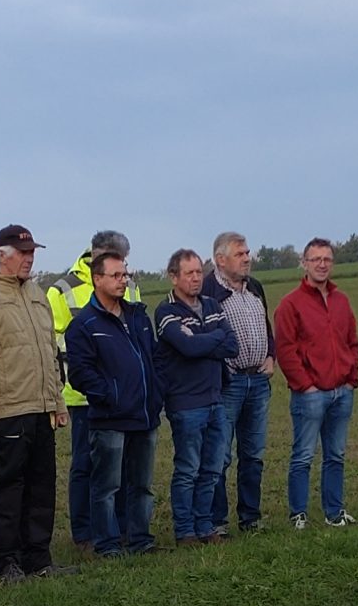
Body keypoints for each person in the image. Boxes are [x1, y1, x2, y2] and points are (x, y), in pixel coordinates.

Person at [0, 224, 73, 583]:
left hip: (41, 408)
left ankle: (39, 557)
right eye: (23, 253)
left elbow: (50, 353)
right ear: (1, 256)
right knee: (9, 489)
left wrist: (57, 401)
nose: (30, 259)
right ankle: (6, 561)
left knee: (42, 487)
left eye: (32, 252)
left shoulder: (37, 294)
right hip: (7, 410)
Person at [61, 244, 163, 558]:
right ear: (97, 280)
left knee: (142, 485)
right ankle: (106, 544)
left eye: (126, 273)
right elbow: (80, 373)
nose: (124, 280)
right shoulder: (85, 325)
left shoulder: (138, 317)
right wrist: (109, 397)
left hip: (145, 416)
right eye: (116, 275)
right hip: (110, 418)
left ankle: (140, 539)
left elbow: (154, 359)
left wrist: (156, 392)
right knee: (106, 486)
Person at [48, 232, 140, 553]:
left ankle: (121, 527)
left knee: (124, 463)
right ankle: (84, 532)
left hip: (125, 393)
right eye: (114, 264)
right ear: (95, 255)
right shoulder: (62, 290)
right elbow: (53, 341)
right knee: (86, 464)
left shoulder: (129, 283)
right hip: (82, 393)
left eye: (124, 265)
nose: (122, 275)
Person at [274, 236, 358, 529]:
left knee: (336, 455)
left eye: (327, 259)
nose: (322, 264)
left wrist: (352, 379)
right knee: (303, 455)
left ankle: (334, 511)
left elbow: (353, 341)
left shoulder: (342, 300)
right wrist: (305, 385)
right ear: (305, 264)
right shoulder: (290, 304)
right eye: (316, 259)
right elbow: (285, 350)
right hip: (310, 394)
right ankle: (298, 514)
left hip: (341, 391)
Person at [154, 247, 236, 543]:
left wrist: (201, 340)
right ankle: (185, 530)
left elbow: (232, 345)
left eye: (199, 271)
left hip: (216, 399)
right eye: (188, 273)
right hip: (186, 403)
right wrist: (212, 338)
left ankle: (205, 526)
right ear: (173, 277)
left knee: (212, 468)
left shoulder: (213, 304)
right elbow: (187, 349)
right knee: (188, 468)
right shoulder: (166, 311)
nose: (195, 278)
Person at [202, 232, 276, 534]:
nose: (248, 258)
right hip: (228, 384)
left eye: (248, 253)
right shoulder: (207, 291)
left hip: (258, 381)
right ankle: (217, 522)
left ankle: (250, 518)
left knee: (254, 454)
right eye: (240, 254)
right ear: (221, 260)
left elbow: (265, 324)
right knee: (220, 456)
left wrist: (271, 354)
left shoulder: (254, 287)